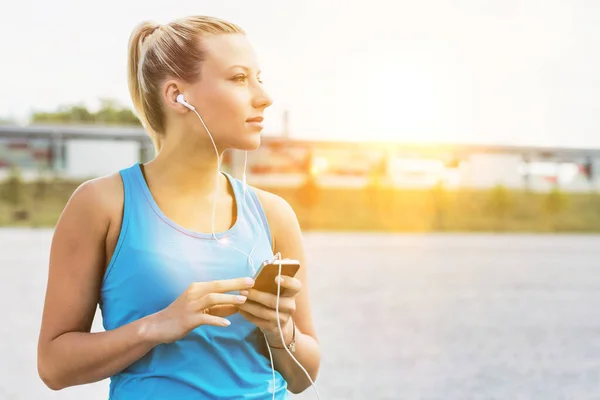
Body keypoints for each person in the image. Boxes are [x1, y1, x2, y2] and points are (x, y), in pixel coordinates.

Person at [36, 15, 321, 399]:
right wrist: (158, 326)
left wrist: (279, 331)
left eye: (259, 78)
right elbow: (54, 367)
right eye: (239, 78)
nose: (263, 96)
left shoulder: (273, 214)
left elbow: (304, 377)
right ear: (177, 96)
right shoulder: (102, 205)